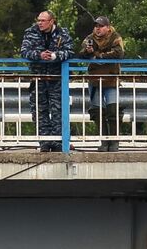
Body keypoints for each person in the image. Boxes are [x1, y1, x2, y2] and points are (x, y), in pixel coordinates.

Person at [19, 10, 74, 152]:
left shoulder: (63, 33)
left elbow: (70, 51)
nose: (40, 23)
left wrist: (55, 56)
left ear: (51, 21)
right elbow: (24, 51)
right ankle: (44, 141)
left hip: (57, 79)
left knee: (58, 111)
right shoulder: (31, 32)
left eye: (43, 21)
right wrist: (39, 55)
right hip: (38, 78)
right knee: (39, 111)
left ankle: (58, 141)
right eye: (39, 20)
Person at [77, 15, 125, 151]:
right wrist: (88, 51)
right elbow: (80, 54)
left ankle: (114, 142)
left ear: (107, 27)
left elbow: (118, 54)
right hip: (95, 79)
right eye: (96, 26)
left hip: (111, 78)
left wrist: (97, 55)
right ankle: (104, 142)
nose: (98, 29)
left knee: (113, 110)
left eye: (101, 26)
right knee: (98, 111)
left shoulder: (115, 37)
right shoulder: (89, 39)